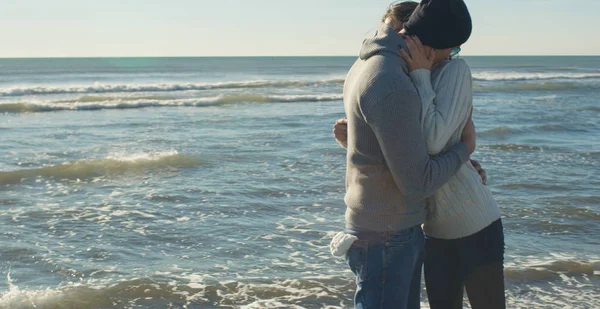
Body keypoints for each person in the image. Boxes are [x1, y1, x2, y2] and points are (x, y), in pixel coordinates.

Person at [333, 1, 506, 308]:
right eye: (450, 49)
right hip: (406, 229)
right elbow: (418, 167)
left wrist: (463, 157)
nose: (451, 56)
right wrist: (464, 150)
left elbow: (421, 142)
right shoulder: (394, 78)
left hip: (451, 223)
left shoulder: (441, 70)